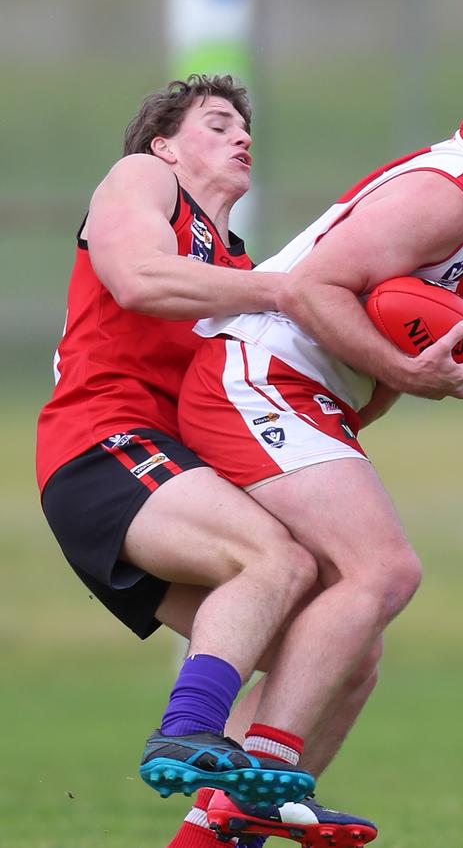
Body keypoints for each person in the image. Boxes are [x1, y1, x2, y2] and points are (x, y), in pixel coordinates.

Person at [170, 16, 463, 845]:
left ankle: (217, 831)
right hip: (255, 378)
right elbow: (308, 290)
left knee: (350, 658)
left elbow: (379, 325)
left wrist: (388, 390)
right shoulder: (447, 194)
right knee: (385, 569)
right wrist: (405, 374)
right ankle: (262, 779)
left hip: (303, 397)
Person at [35, 74, 383, 835]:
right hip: (103, 448)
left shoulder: (239, 263)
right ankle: (188, 728)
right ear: (165, 145)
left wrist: (406, 357)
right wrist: (283, 292)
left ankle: (233, 818)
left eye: (244, 127)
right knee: (276, 560)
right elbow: (135, 279)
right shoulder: (143, 179)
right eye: (218, 123)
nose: (240, 136)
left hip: (170, 476)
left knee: (343, 644)